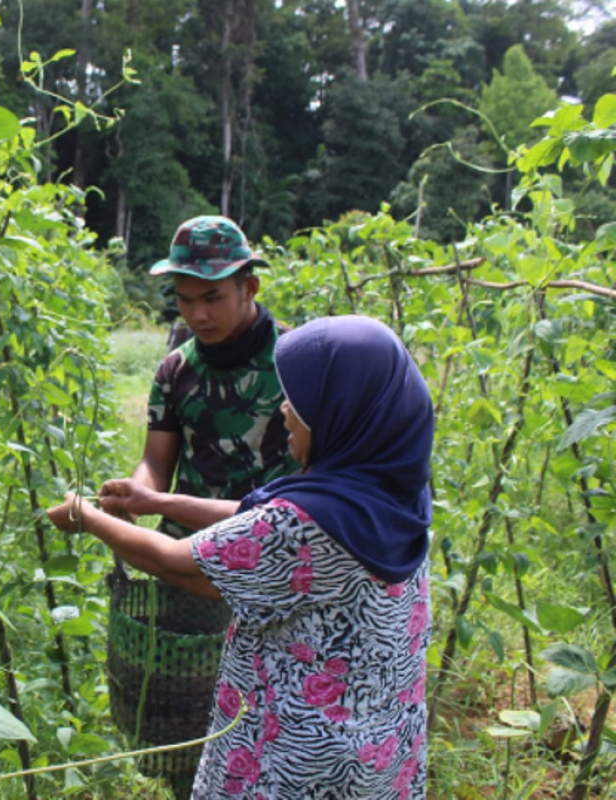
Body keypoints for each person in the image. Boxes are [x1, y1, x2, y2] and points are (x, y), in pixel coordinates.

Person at [49, 315, 434, 799]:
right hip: (380, 747)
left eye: (302, 401)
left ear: (342, 411)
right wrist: (158, 501)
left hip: (298, 764)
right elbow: (262, 518)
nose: (285, 412)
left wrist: (87, 516)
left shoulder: (302, 523)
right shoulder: (392, 490)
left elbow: (176, 561)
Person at [101, 214, 297, 536]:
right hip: (190, 546)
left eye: (212, 298)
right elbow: (156, 465)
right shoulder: (176, 370)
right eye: (185, 300)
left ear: (249, 288)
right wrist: (130, 499)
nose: (197, 315)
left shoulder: (297, 360)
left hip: (273, 545)